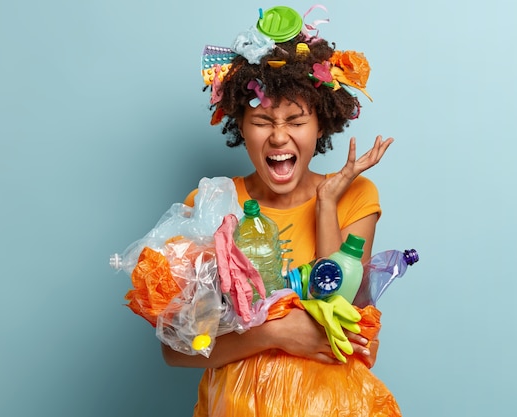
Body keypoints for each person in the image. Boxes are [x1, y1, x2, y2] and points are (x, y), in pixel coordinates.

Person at [161, 6, 401, 416]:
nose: (278, 136)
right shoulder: (210, 205)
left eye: (296, 120)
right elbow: (178, 349)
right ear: (240, 122)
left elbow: (344, 320)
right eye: (261, 120)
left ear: (321, 124)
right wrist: (274, 334)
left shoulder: (354, 197)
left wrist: (326, 203)